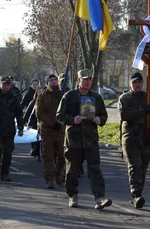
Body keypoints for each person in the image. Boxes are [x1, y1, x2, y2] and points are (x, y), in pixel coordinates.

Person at [57, 69, 111, 209]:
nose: (87, 82)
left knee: (95, 169)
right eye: (85, 79)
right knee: (72, 170)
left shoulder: (97, 98)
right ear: (78, 80)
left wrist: (100, 119)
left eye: (89, 79)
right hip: (73, 139)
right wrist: (72, 119)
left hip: (90, 139)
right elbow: (59, 115)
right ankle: (72, 195)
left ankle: (99, 198)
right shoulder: (69, 96)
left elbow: (104, 115)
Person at [118, 72, 150, 209]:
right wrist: (142, 110)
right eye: (134, 82)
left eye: (139, 82)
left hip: (146, 138)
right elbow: (125, 115)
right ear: (130, 84)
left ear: (142, 83)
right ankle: (136, 195)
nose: (137, 85)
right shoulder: (125, 98)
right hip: (130, 138)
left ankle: (137, 195)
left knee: (142, 168)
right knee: (134, 166)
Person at [35, 74, 65, 189]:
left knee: (62, 156)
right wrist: (53, 123)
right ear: (47, 82)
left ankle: (58, 173)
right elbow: (39, 112)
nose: (53, 81)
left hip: (61, 131)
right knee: (48, 157)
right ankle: (49, 179)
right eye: (51, 80)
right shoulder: (42, 95)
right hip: (47, 131)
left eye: (55, 80)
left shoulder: (63, 94)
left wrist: (61, 122)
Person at [21, 79, 40, 157]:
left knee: (38, 136)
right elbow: (23, 104)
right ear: (31, 85)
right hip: (30, 116)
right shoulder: (28, 94)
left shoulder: (41, 94)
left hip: (39, 117)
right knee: (33, 134)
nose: (35, 86)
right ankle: (33, 148)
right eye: (34, 84)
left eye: (36, 84)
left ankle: (37, 150)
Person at [23, 90, 41, 162]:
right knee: (36, 140)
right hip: (34, 123)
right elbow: (29, 114)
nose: (40, 94)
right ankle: (37, 153)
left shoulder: (46, 102)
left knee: (41, 140)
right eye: (39, 92)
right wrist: (25, 124)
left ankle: (39, 153)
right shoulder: (33, 102)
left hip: (43, 123)